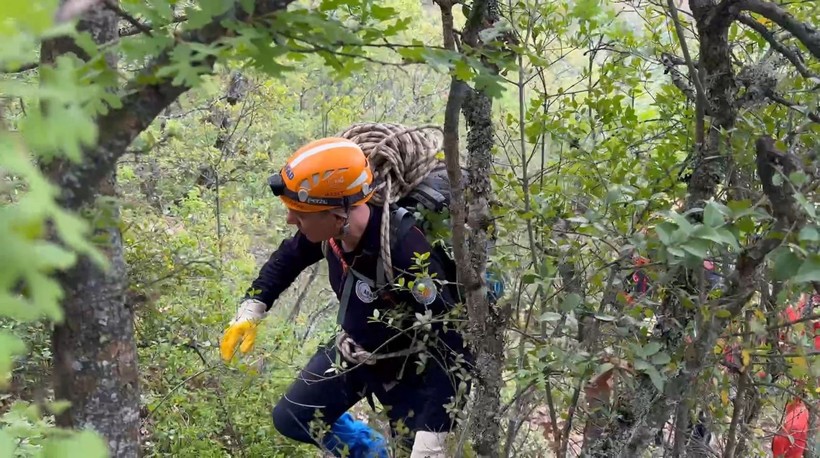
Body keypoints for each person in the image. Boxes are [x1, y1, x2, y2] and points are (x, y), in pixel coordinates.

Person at [220, 137, 472, 457]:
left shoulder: (406, 252)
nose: (290, 221)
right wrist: (251, 309)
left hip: (412, 376)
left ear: (338, 214)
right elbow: (287, 259)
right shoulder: (329, 229)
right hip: (353, 352)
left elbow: (454, 346)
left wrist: (433, 437)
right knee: (294, 418)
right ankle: (370, 451)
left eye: (299, 213)